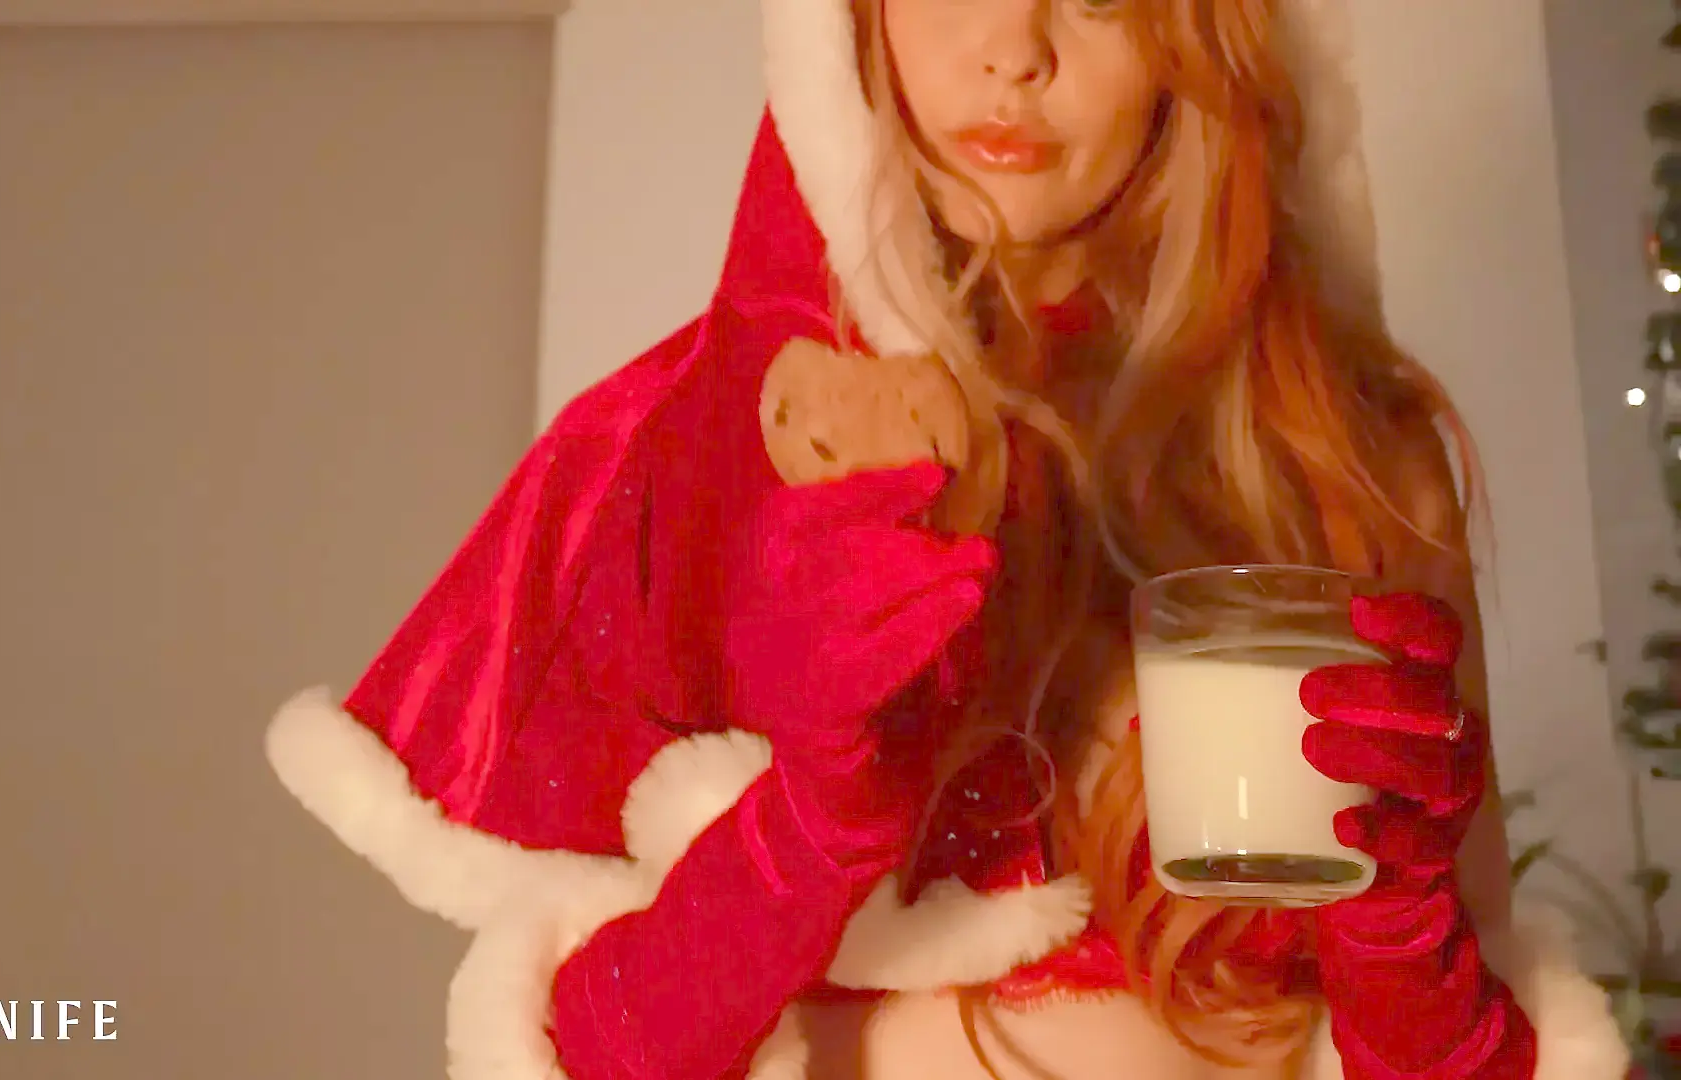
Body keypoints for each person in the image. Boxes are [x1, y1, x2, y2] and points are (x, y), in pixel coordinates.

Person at [265, 1, 1633, 1077]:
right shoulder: (676, 454)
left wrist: (1399, 938)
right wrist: (810, 830)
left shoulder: (1348, 462)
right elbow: (594, 1058)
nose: (1014, 52)